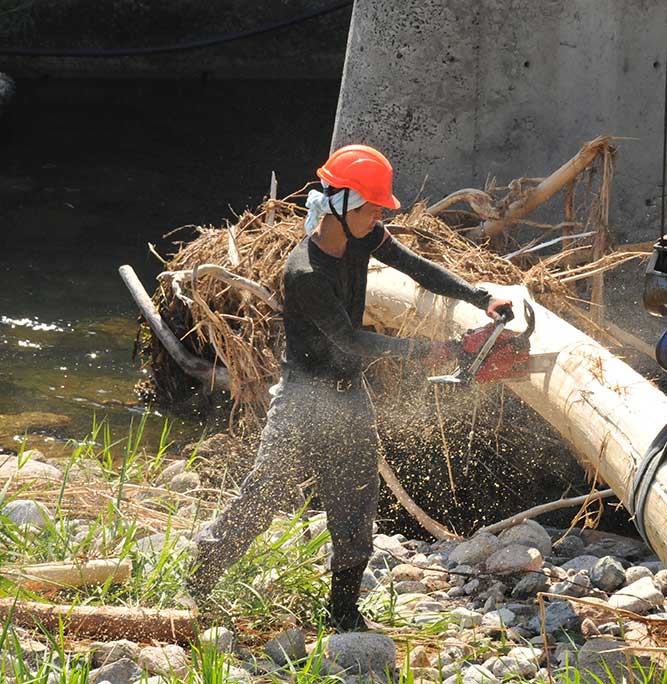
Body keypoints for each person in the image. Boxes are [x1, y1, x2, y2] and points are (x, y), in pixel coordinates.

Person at [186, 144, 512, 630]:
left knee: (356, 503)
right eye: (373, 205)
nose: (380, 213)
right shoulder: (305, 273)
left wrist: (480, 295)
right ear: (340, 203)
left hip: (348, 395)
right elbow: (349, 339)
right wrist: (433, 351)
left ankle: (342, 614)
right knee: (264, 497)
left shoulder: (363, 235)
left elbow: (416, 267)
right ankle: (195, 587)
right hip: (303, 401)